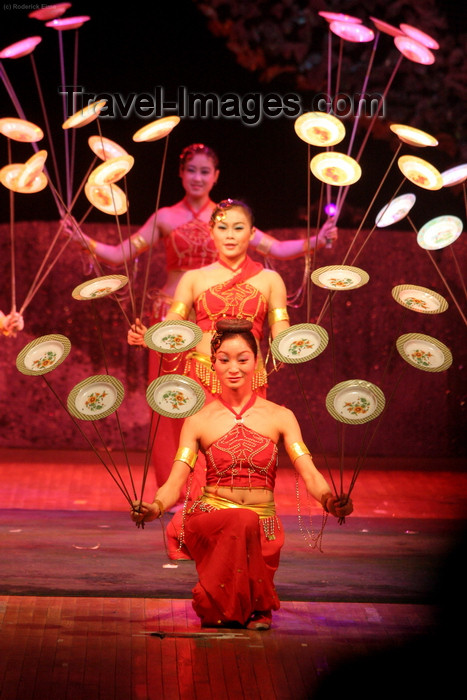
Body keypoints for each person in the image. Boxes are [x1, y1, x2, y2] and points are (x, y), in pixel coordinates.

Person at [130, 318, 353, 631]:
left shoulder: (280, 416)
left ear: (256, 362)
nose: (233, 368)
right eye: (224, 360)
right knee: (239, 524)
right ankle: (253, 605)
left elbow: (309, 472)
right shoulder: (198, 420)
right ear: (213, 364)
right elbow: (176, 480)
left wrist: (330, 500)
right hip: (212, 520)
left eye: (242, 359)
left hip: (263, 526)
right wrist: (154, 508)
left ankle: (254, 605)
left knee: (246, 529)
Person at [128, 197, 295, 557]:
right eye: (222, 228)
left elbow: (280, 328)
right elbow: (174, 325)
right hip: (202, 378)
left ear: (252, 233)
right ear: (211, 232)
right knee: (207, 462)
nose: (230, 235)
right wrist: (150, 336)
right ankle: (207, 537)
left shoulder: (269, 279)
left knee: (247, 461)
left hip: (250, 381)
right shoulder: (194, 278)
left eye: (238, 228)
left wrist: (293, 345)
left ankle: (249, 535)